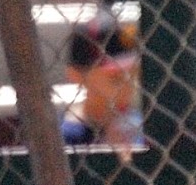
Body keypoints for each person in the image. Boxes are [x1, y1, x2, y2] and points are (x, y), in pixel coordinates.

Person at [59, 10, 143, 150]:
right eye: (116, 78)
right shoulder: (65, 135)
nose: (129, 87)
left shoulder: (144, 125)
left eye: (135, 75)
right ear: (76, 76)